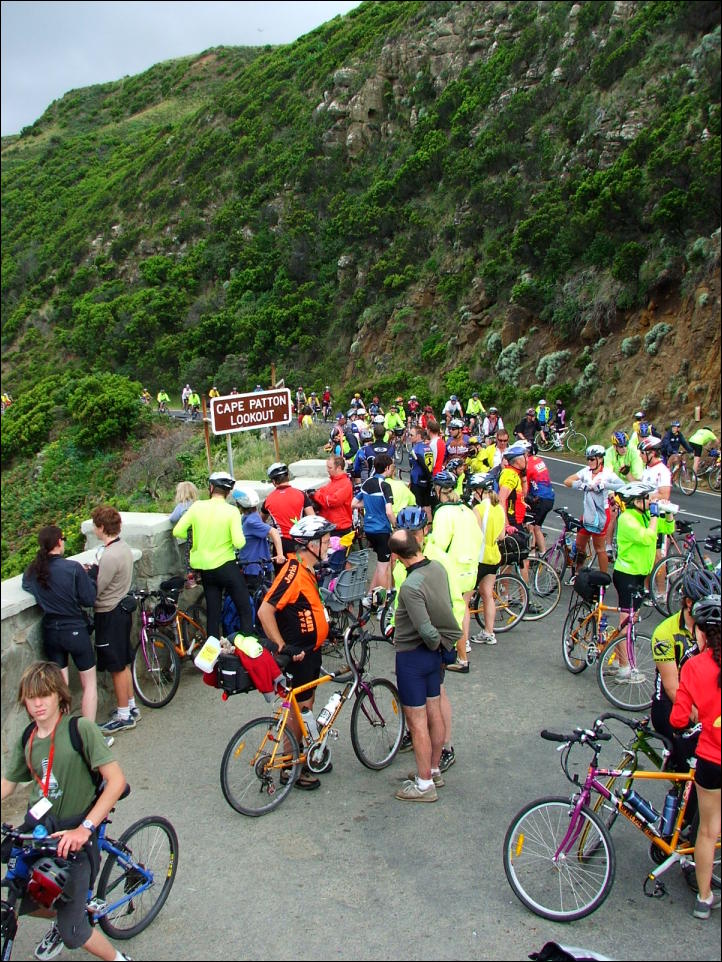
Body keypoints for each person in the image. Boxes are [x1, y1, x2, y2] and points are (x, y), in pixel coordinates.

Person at [1, 662, 131, 962]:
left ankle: (119, 958)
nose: (38, 703)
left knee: (73, 931)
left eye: (45, 695)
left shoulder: (79, 729)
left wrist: (84, 829)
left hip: (76, 834)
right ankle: (64, 909)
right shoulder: (28, 738)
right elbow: (7, 784)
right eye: (31, 697)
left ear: (59, 695)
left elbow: (116, 781)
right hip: (40, 828)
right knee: (17, 892)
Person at [258, 516, 336, 791]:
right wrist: (282, 647)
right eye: (324, 540)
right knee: (298, 710)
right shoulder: (292, 571)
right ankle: (291, 767)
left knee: (305, 707)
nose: (329, 544)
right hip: (299, 655)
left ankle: (307, 756)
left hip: (310, 652)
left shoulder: (307, 568)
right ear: (311, 545)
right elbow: (265, 611)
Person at [390, 528, 461, 802]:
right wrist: (442, 649)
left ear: (397, 557)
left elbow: (425, 629)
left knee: (417, 721)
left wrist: (435, 644)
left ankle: (423, 785)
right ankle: (433, 770)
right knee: (435, 711)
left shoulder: (410, 586)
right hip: (435, 657)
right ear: (417, 543)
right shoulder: (438, 568)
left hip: (413, 657)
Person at [670, 595, 721, 919]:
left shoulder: (693, 666)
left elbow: (678, 719)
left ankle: (704, 898)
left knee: (707, 831)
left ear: (700, 632)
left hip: (711, 760)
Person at [22, 526, 98, 722]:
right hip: (74, 630)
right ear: (58, 542)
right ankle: (87, 733)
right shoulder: (73, 568)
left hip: (51, 631)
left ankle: (60, 732)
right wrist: (90, 577)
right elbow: (89, 599)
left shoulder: (34, 571)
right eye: (63, 539)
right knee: (89, 683)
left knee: (59, 688)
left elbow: (27, 584)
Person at [651, 568, 720, 772]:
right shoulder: (665, 632)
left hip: (698, 701)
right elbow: (672, 687)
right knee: (691, 770)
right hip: (670, 704)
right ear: (689, 602)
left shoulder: (711, 626)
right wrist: (702, 718)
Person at [172, 472, 254, 640]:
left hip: (205, 569)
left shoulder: (197, 507)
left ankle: (213, 652)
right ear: (228, 492)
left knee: (213, 614)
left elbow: (177, 531)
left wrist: (199, 536)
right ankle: (246, 648)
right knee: (245, 608)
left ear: (210, 488)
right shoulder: (232, 511)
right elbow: (239, 543)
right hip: (226, 566)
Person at [86, 506, 138, 737]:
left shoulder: (109, 556)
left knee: (116, 666)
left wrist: (90, 574)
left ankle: (123, 715)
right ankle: (131, 706)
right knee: (123, 661)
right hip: (121, 610)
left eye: (95, 526)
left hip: (108, 613)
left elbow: (96, 589)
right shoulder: (123, 548)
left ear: (101, 527)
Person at [425, 469, 483, 674]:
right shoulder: (466, 509)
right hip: (471, 568)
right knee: (463, 609)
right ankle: (462, 655)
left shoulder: (443, 512)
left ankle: (456, 655)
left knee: (451, 615)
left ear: (438, 490)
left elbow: (438, 544)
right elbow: (478, 536)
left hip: (452, 570)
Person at [563, 445, 624, 582]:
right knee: (580, 545)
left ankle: (604, 579)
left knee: (599, 548)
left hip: (601, 514)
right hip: (588, 514)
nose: (589, 462)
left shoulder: (607, 474)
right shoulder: (586, 472)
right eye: (588, 459)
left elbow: (622, 485)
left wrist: (605, 485)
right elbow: (567, 481)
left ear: (600, 459)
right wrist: (581, 485)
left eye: (592, 459)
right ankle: (578, 574)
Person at [613, 482, 659, 652]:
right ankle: (624, 665)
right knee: (626, 623)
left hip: (640, 574)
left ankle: (617, 656)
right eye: (647, 498)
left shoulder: (644, 516)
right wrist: (655, 516)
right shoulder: (626, 519)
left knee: (632, 621)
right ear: (637, 501)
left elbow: (667, 529)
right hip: (627, 574)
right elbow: (647, 538)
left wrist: (667, 515)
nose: (651, 500)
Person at [468, 473, 506, 646]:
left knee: (465, 598)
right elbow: (501, 536)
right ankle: (489, 632)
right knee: (487, 594)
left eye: (474, 490)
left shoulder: (479, 509)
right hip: (494, 556)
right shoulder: (499, 508)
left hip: (479, 557)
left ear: (480, 490)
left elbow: (474, 534)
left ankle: (463, 640)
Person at [352, 453, 396, 592]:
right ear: (387, 468)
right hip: (382, 530)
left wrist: (370, 505)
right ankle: (382, 600)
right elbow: (389, 512)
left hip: (369, 530)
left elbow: (354, 504)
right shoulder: (385, 485)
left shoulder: (367, 482)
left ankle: (371, 594)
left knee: (381, 563)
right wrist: (396, 526)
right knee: (384, 567)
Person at [232, 488, 284, 588]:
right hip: (251, 565)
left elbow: (274, 532)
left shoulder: (251, 521)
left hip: (255, 569)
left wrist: (280, 554)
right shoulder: (250, 516)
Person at [261, 462, 315, 556]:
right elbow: (313, 518)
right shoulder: (301, 494)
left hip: (280, 545)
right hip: (299, 542)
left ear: (273, 481)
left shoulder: (268, 499)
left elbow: (260, 521)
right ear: (288, 477)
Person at [312, 456, 354, 546]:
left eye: (330, 467)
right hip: (330, 526)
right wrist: (319, 495)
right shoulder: (331, 482)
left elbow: (333, 501)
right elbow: (321, 494)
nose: (327, 470)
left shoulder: (346, 483)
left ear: (338, 468)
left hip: (340, 528)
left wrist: (317, 496)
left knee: (337, 554)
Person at [169, 481, 199, 586]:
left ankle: (192, 581)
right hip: (201, 535)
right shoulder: (198, 505)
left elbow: (172, 518)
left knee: (189, 559)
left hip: (190, 537)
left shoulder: (182, 506)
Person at [525, 449, 555, 554]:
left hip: (539, 499)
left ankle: (531, 555)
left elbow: (525, 487)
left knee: (530, 526)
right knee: (537, 528)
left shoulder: (527, 465)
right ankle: (543, 554)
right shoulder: (538, 459)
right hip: (550, 498)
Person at [407, 424, 434, 520]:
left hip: (417, 481)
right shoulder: (428, 448)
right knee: (427, 506)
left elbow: (414, 464)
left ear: (418, 436)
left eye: (411, 435)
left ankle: (419, 526)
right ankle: (429, 524)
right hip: (427, 480)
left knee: (418, 507)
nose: (409, 437)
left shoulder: (415, 449)